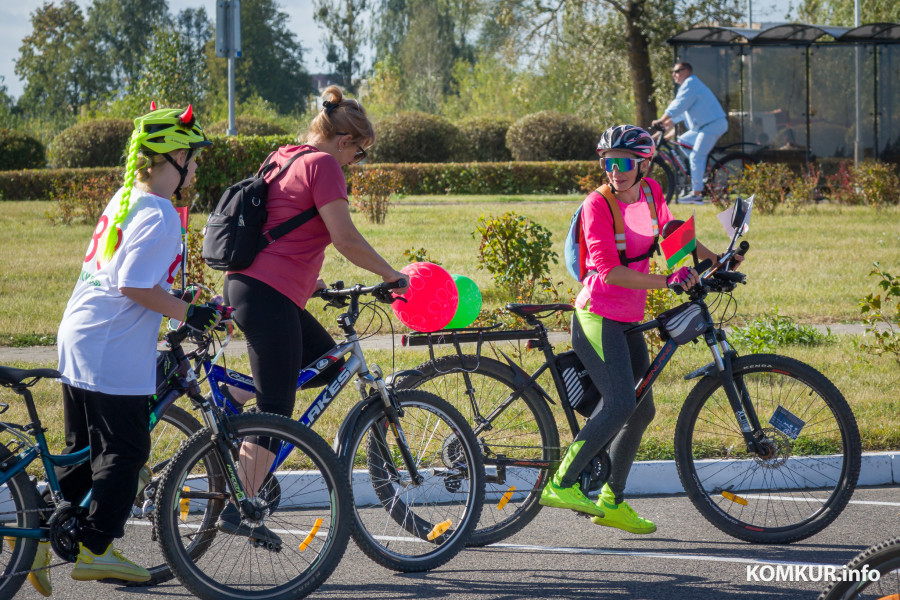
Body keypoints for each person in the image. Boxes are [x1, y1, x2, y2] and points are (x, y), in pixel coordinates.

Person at [220, 85, 408, 543]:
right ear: (345, 142)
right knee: (278, 409)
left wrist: (309, 279)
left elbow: (280, 225)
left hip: (256, 286)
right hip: (267, 295)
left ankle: (232, 394)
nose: (356, 164)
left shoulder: (286, 154)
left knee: (327, 365)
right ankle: (238, 505)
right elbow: (343, 237)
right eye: (360, 155)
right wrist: (389, 274)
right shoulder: (324, 165)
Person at [49, 105, 222, 590]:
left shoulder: (128, 198)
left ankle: (48, 528)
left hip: (80, 334)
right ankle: (97, 549)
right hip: (112, 345)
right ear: (174, 158)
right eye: (194, 156)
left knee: (83, 450)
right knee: (125, 451)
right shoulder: (161, 213)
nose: (198, 167)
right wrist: (190, 313)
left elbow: (126, 276)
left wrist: (178, 300)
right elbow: (132, 284)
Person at [539, 125, 731, 534]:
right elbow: (608, 272)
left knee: (642, 409)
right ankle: (561, 482)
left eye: (624, 162)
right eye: (608, 162)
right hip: (596, 316)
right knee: (621, 403)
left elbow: (669, 231)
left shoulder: (651, 193)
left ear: (644, 164)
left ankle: (611, 499)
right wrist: (668, 282)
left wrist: (714, 259)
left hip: (627, 319)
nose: (615, 170)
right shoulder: (597, 206)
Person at [651, 62, 728, 204]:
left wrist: (661, 120)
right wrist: (654, 136)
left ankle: (697, 195)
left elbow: (677, 106)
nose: (674, 75)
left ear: (686, 71)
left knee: (696, 156)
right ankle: (703, 169)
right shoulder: (688, 88)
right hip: (703, 127)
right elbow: (676, 118)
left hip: (712, 125)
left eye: (676, 71)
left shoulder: (691, 84)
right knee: (683, 141)